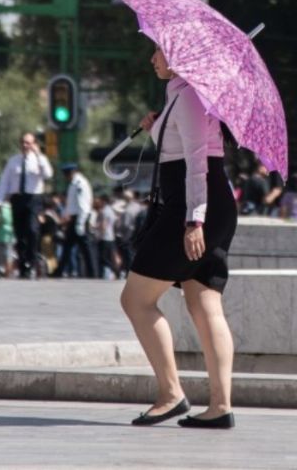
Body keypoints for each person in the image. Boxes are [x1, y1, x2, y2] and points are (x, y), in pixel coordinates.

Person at [121, 45, 239, 429]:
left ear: (179, 58)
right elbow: (180, 149)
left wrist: (194, 221)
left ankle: (171, 394)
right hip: (208, 204)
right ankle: (220, 406)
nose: (152, 58)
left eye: (157, 51)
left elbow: (196, 161)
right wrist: (156, 126)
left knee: (136, 300)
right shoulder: (182, 95)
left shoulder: (188, 96)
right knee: (204, 304)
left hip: (193, 207)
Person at [0, 133, 54, 278]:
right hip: (17, 198)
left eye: (28, 143)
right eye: (23, 142)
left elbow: (48, 174)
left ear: (34, 144)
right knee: (20, 233)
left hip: (34, 198)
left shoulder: (40, 160)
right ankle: (23, 265)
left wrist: (39, 155)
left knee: (33, 230)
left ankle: (32, 261)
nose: (25, 145)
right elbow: (5, 181)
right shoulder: (13, 161)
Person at [51, 163, 95, 278]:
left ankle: (93, 272)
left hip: (80, 218)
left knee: (86, 248)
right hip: (75, 218)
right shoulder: (73, 184)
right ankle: (59, 271)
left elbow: (83, 205)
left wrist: (80, 222)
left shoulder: (80, 183)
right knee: (68, 246)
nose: (66, 177)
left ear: (71, 173)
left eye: (66, 174)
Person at [94, 194, 121, 279]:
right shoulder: (111, 210)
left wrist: (96, 229)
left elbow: (103, 225)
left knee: (104, 257)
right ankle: (117, 271)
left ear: (103, 201)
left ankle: (111, 271)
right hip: (111, 237)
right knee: (112, 256)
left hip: (104, 237)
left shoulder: (104, 211)